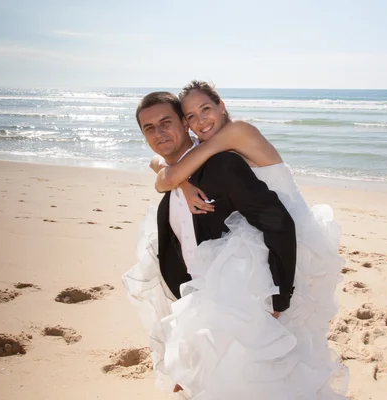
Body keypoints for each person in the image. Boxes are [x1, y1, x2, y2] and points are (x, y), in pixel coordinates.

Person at [148, 81, 349, 398]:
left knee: (276, 329)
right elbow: (161, 163)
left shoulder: (236, 132)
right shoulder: (215, 143)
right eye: (190, 117)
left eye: (206, 109)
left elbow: (168, 173)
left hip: (289, 232)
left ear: (221, 106)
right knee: (271, 336)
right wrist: (182, 181)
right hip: (261, 228)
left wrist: (179, 180)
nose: (201, 121)